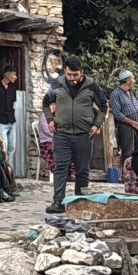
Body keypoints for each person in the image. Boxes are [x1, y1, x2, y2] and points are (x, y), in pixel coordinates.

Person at [44, 55, 107, 214]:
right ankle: (58, 202)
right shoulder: (57, 84)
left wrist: (97, 124)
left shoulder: (92, 85)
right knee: (61, 169)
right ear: (64, 71)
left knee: (82, 170)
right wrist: (50, 120)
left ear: (82, 72)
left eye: (75, 75)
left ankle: (80, 202)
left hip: (84, 135)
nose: (72, 78)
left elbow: (104, 106)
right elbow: (45, 103)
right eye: (69, 74)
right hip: (61, 134)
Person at [109, 70, 138, 164]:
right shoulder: (116, 94)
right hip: (126, 127)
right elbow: (117, 114)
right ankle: (127, 177)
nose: (134, 81)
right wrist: (133, 123)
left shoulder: (133, 93)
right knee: (128, 153)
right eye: (133, 78)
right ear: (128, 80)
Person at [0, 69, 20, 167]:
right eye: (14, 75)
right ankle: (3, 168)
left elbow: (13, 104)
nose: (16, 77)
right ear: (7, 75)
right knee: (4, 146)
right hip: (0, 121)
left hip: (11, 120)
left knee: (12, 147)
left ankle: (8, 168)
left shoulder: (13, 88)